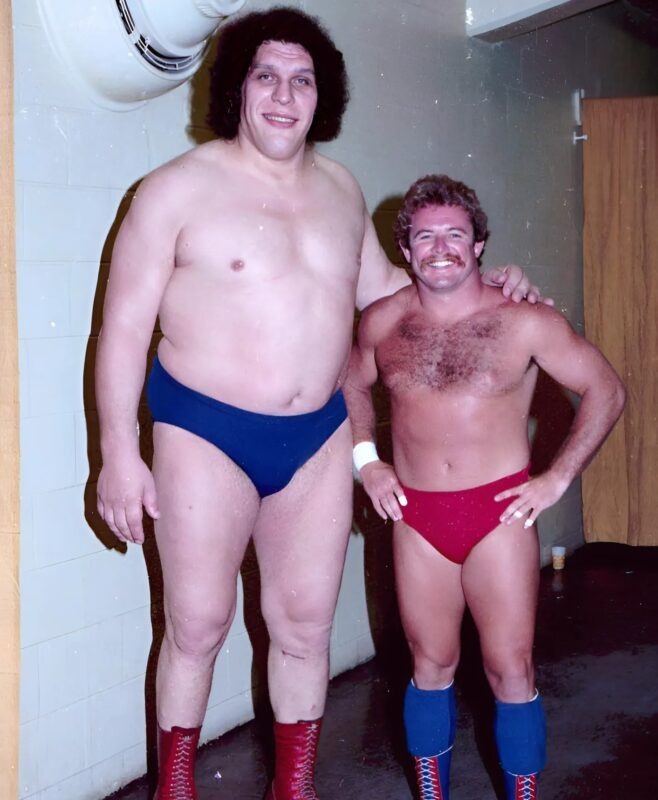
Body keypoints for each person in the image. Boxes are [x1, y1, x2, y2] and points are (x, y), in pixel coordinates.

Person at [95, 8, 544, 799]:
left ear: (321, 96)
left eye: (301, 80)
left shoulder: (341, 190)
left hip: (317, 436)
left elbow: (390, 296)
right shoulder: (174, 191)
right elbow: (124, 327)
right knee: (198, 625)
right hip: (204, 428)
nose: (283, 96)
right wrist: (118, 455)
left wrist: (485, 286)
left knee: (304, 628)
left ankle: (293, 790)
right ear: (237, 89)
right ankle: (175, 789)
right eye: (266, 76)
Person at [344, 174, 625, 800]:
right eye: (425, 236)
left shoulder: (525, 321)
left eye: (455, 234)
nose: (440, 248)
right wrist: (367, 461)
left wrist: (557, 477)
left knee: (510, 670)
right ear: (405, 248)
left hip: (498, 517)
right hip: (417, 519)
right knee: (429, 666)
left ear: (478, 245)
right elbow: (353, 383)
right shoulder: (383, 322)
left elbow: (606, 389)